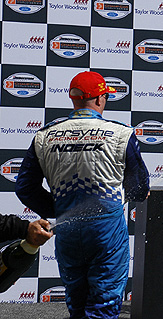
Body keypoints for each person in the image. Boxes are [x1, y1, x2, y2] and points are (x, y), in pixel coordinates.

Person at [15, 71, 150, 318]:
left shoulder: (44, 136)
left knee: (76, 304)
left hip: (67, 229)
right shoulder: (121, 134)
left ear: (73, 98)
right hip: (106, 231)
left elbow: (25, 187)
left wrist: (59, 210)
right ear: (100, 99)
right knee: (104, 305)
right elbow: (140, 189)